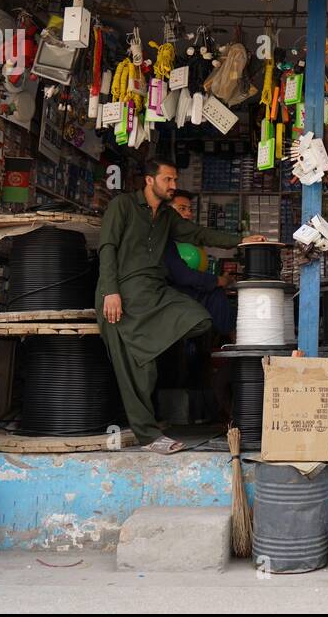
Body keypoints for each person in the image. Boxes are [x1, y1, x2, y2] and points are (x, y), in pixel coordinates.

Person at [97, 160, 264, 454]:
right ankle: (148, 436)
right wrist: (111, 291)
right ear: (150, 180)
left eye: (174, 179)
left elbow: (198, 234)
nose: (173, 185)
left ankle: (149, 349)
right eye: (168, 179)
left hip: (154, 293)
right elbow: (107, 247)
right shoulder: (122, 205)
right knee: (138, 371)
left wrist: (242, 241)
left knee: (199, 317)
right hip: (120, 294)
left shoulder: (165, 218)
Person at [164, 189, 235, 336]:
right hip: (168, 294)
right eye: (182, 209)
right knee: (215, 296)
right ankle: (228, 341)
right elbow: (185, 276)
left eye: (190, 209)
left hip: (183, 290)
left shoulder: (188, 239)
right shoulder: (164, 239)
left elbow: (203, 236)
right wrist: (218, 281)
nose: (188, 214)